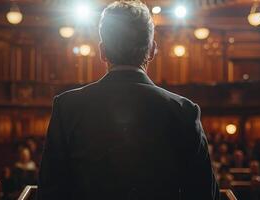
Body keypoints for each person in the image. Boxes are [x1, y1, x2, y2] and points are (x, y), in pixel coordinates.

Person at [38, 1, 219, 199]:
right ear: (151, 50)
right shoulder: (183, 111)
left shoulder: (68, 107)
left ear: (102, 51)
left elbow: (50, 191)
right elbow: (203, 194)